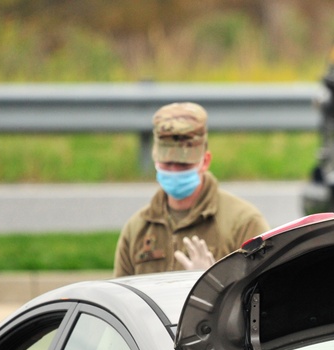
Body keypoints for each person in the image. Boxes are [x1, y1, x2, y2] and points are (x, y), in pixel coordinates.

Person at [113, 102, 270, 276]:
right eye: (167, 163)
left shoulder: (243, 223)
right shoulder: (137, 229)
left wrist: (211, 283)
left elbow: (263, 295)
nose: (174, 171)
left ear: (205, 161)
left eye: (183, 164)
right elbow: (120, 298)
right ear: (155, 159)